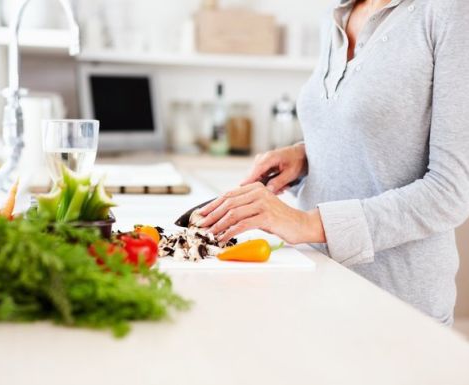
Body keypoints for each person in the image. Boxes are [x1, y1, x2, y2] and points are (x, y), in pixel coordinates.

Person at [198, 0, 469, 325]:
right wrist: (305, 155)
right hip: (313, 278)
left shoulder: (449, 11)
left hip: (394, 306)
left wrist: (307, 224)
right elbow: (366, 128)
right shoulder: (340, 12)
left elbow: (452, 193)